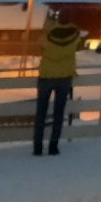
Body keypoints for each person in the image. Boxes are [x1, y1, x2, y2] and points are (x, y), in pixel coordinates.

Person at [34, 12, 81, 156]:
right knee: (59, 113)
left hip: (47, 75)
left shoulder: (49, 34)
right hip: (65, 76)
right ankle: (53, 146)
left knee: (41, 113)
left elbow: (41, 43)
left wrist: (49, 24)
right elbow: (78, 43)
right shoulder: (75, 34)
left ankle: (38, 146)